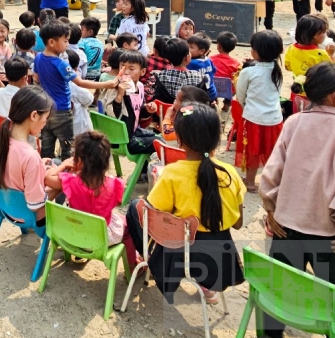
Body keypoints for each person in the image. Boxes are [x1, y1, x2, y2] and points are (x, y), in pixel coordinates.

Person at [258, 63, 335, 338]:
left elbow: (272, 173)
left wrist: (270, 207)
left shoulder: (294, 122)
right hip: (333, 237)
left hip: (286, 227)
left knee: (276, 296)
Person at [126, 103, 245, 305]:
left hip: (180, 258)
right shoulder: (230, 173)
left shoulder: (173, 173)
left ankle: (149, 263)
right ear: (216, 139)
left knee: (134, 207)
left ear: (179, 140)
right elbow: (238, 224)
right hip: (219, 263)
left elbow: (152, 216)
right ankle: (206, 287)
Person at [35, 20, 118, 160]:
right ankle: (67, 177)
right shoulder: (61, 64)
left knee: (46, 149)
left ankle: (46, 176)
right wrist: (107, 84)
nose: (68, 45)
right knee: (68, 149)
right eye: (65, 41)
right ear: (51, 42)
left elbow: (36, 78)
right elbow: (80, 82)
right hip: (62, 110)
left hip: (45, 110)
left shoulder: (38, 58)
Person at [46, 132, 126, 246]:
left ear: (79, 160)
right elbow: (118, 203)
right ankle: (134, 260)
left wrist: (63, 165)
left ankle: (79, 254)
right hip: (101, 239)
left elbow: (46, 179)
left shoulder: (70, 181)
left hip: (74, 236)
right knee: (124, 222)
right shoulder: (116, 184)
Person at [0, 86, 54, 220]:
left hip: (6, 208)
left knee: (54, 165)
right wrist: (59, 187)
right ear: (34, 115)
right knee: (65, 182)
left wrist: (39, 167)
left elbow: (12, 168)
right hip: (27, 216)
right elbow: (35, 205)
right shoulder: (30, 156)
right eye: (46, 118)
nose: (45, 123)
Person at [234, 30, 285, 192]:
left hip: (253, 118)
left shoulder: (248, 71)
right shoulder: (277, 71)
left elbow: (240, 95)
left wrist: (247, 107)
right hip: (275, 119)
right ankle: (273, 182)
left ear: (256, 52)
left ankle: (250, 181)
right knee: (272, 151)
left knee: (253, 151)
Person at [153, 37, 212, 103]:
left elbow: (157, 98)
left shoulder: (160, 76)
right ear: (187, 58)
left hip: (166, 111)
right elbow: (203, 100)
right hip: (190, 111)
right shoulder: (199, 77)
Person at [210, 32, 240, 110]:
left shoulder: (210, 59)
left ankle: (214, 101)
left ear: (219, 46)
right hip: (228, 91)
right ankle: (227, 105)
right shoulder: (236, 63)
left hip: (213, 88)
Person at [186, 33, 217, 100]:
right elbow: (214, 70)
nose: (187, 49)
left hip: (200, 96)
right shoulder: (208, 60)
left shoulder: (191, 63)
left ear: (202, 51)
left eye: (191, 47)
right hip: (212, 92)